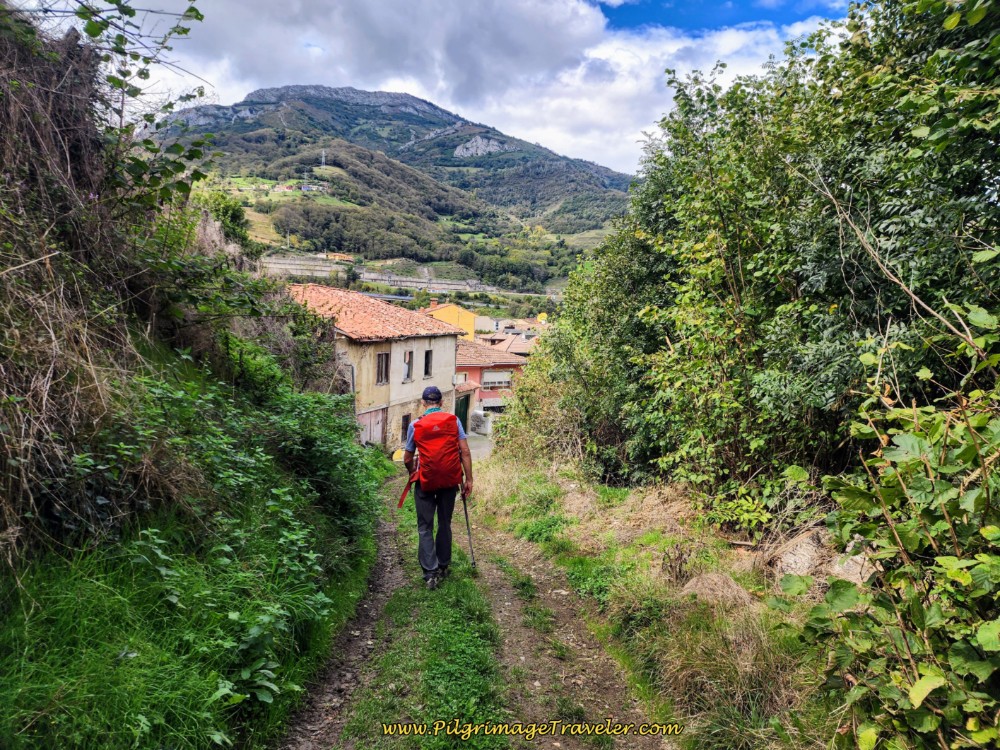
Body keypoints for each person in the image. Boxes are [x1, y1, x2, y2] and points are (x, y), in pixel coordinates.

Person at [403, 386, 474, 590]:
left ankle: (430, 573)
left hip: (425, 481)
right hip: (449, 481)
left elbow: (407, 457)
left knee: (425, 527)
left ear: (423, 403)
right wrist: (468, 479)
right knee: (445, 522)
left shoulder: (416, 425)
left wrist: (412, 470)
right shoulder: (454, 421)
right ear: (441, 403)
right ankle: (443, 565)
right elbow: (465, 452)